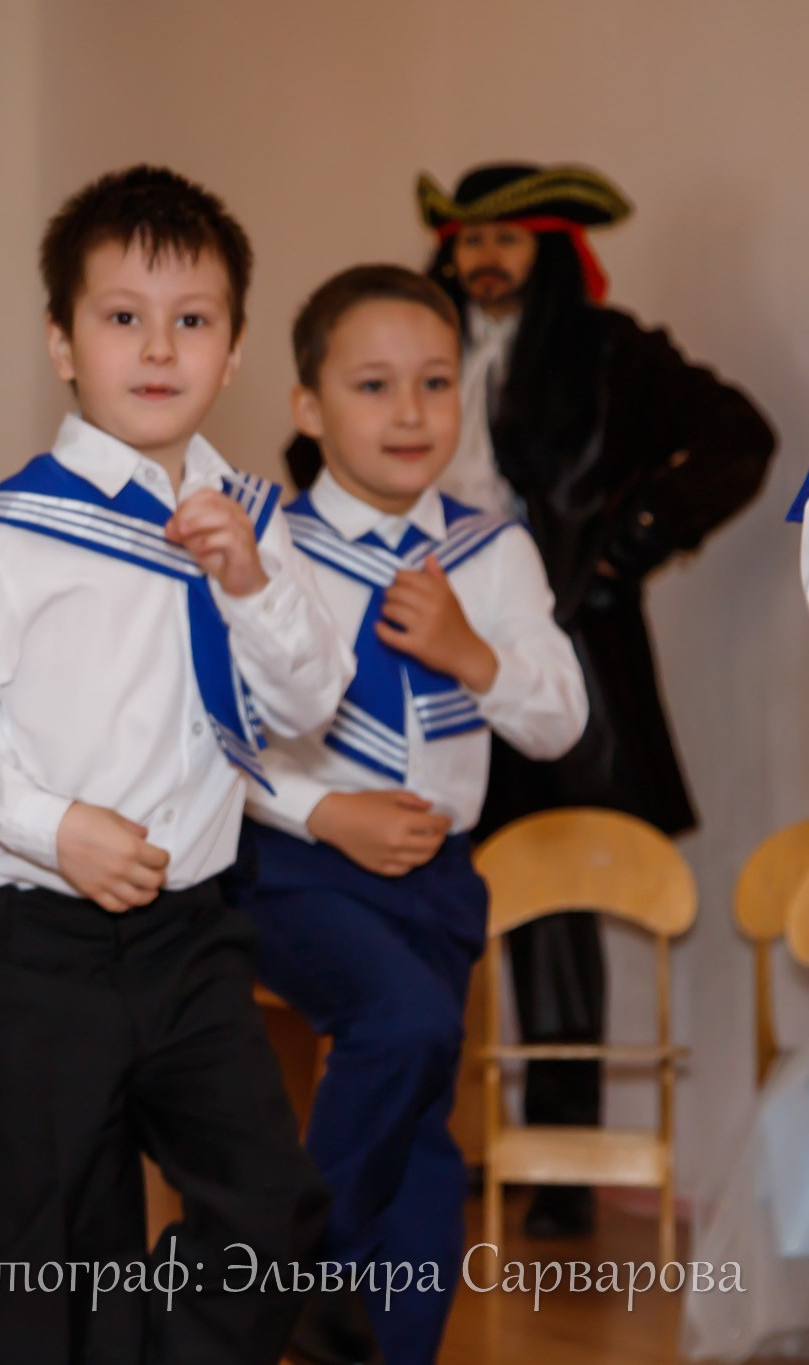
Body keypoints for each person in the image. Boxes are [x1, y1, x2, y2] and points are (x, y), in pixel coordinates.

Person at [0, 165, 348, 1365]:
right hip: (35, 950)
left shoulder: (255, 521)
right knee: (61, 1264)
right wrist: (56, 827)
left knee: (269, 1212)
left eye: (192, 319)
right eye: (121, 316)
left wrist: (250, 585)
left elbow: (305, 704)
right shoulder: (2, 538)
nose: (158, 347)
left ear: (232, 350)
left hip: (193, 937)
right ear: (61, 343)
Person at [291, 162, 775, 1237]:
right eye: (469, 238)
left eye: (508, 238)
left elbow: (738, 437)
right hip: (402, 644)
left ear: (551, 249)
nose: (484, 257)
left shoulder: (605, 350)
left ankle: (554, 1170)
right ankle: (409, 1138)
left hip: (541, 644)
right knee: (399, 882)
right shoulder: (404, 346)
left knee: (553, 910)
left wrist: (620, 551)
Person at [242, 265, 587, 1365]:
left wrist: (469, 652)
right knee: (405, 1026)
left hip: (438, 874)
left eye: (435, 383)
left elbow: (560, 722)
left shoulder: (492, 552)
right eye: (373, 384)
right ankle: (299, 1269)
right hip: (294, 867)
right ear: (307, 406)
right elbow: (211, 738)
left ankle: (380, 1348)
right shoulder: (265, 549)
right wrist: (322, 812)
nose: (408, 412)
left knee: (423, 1138)